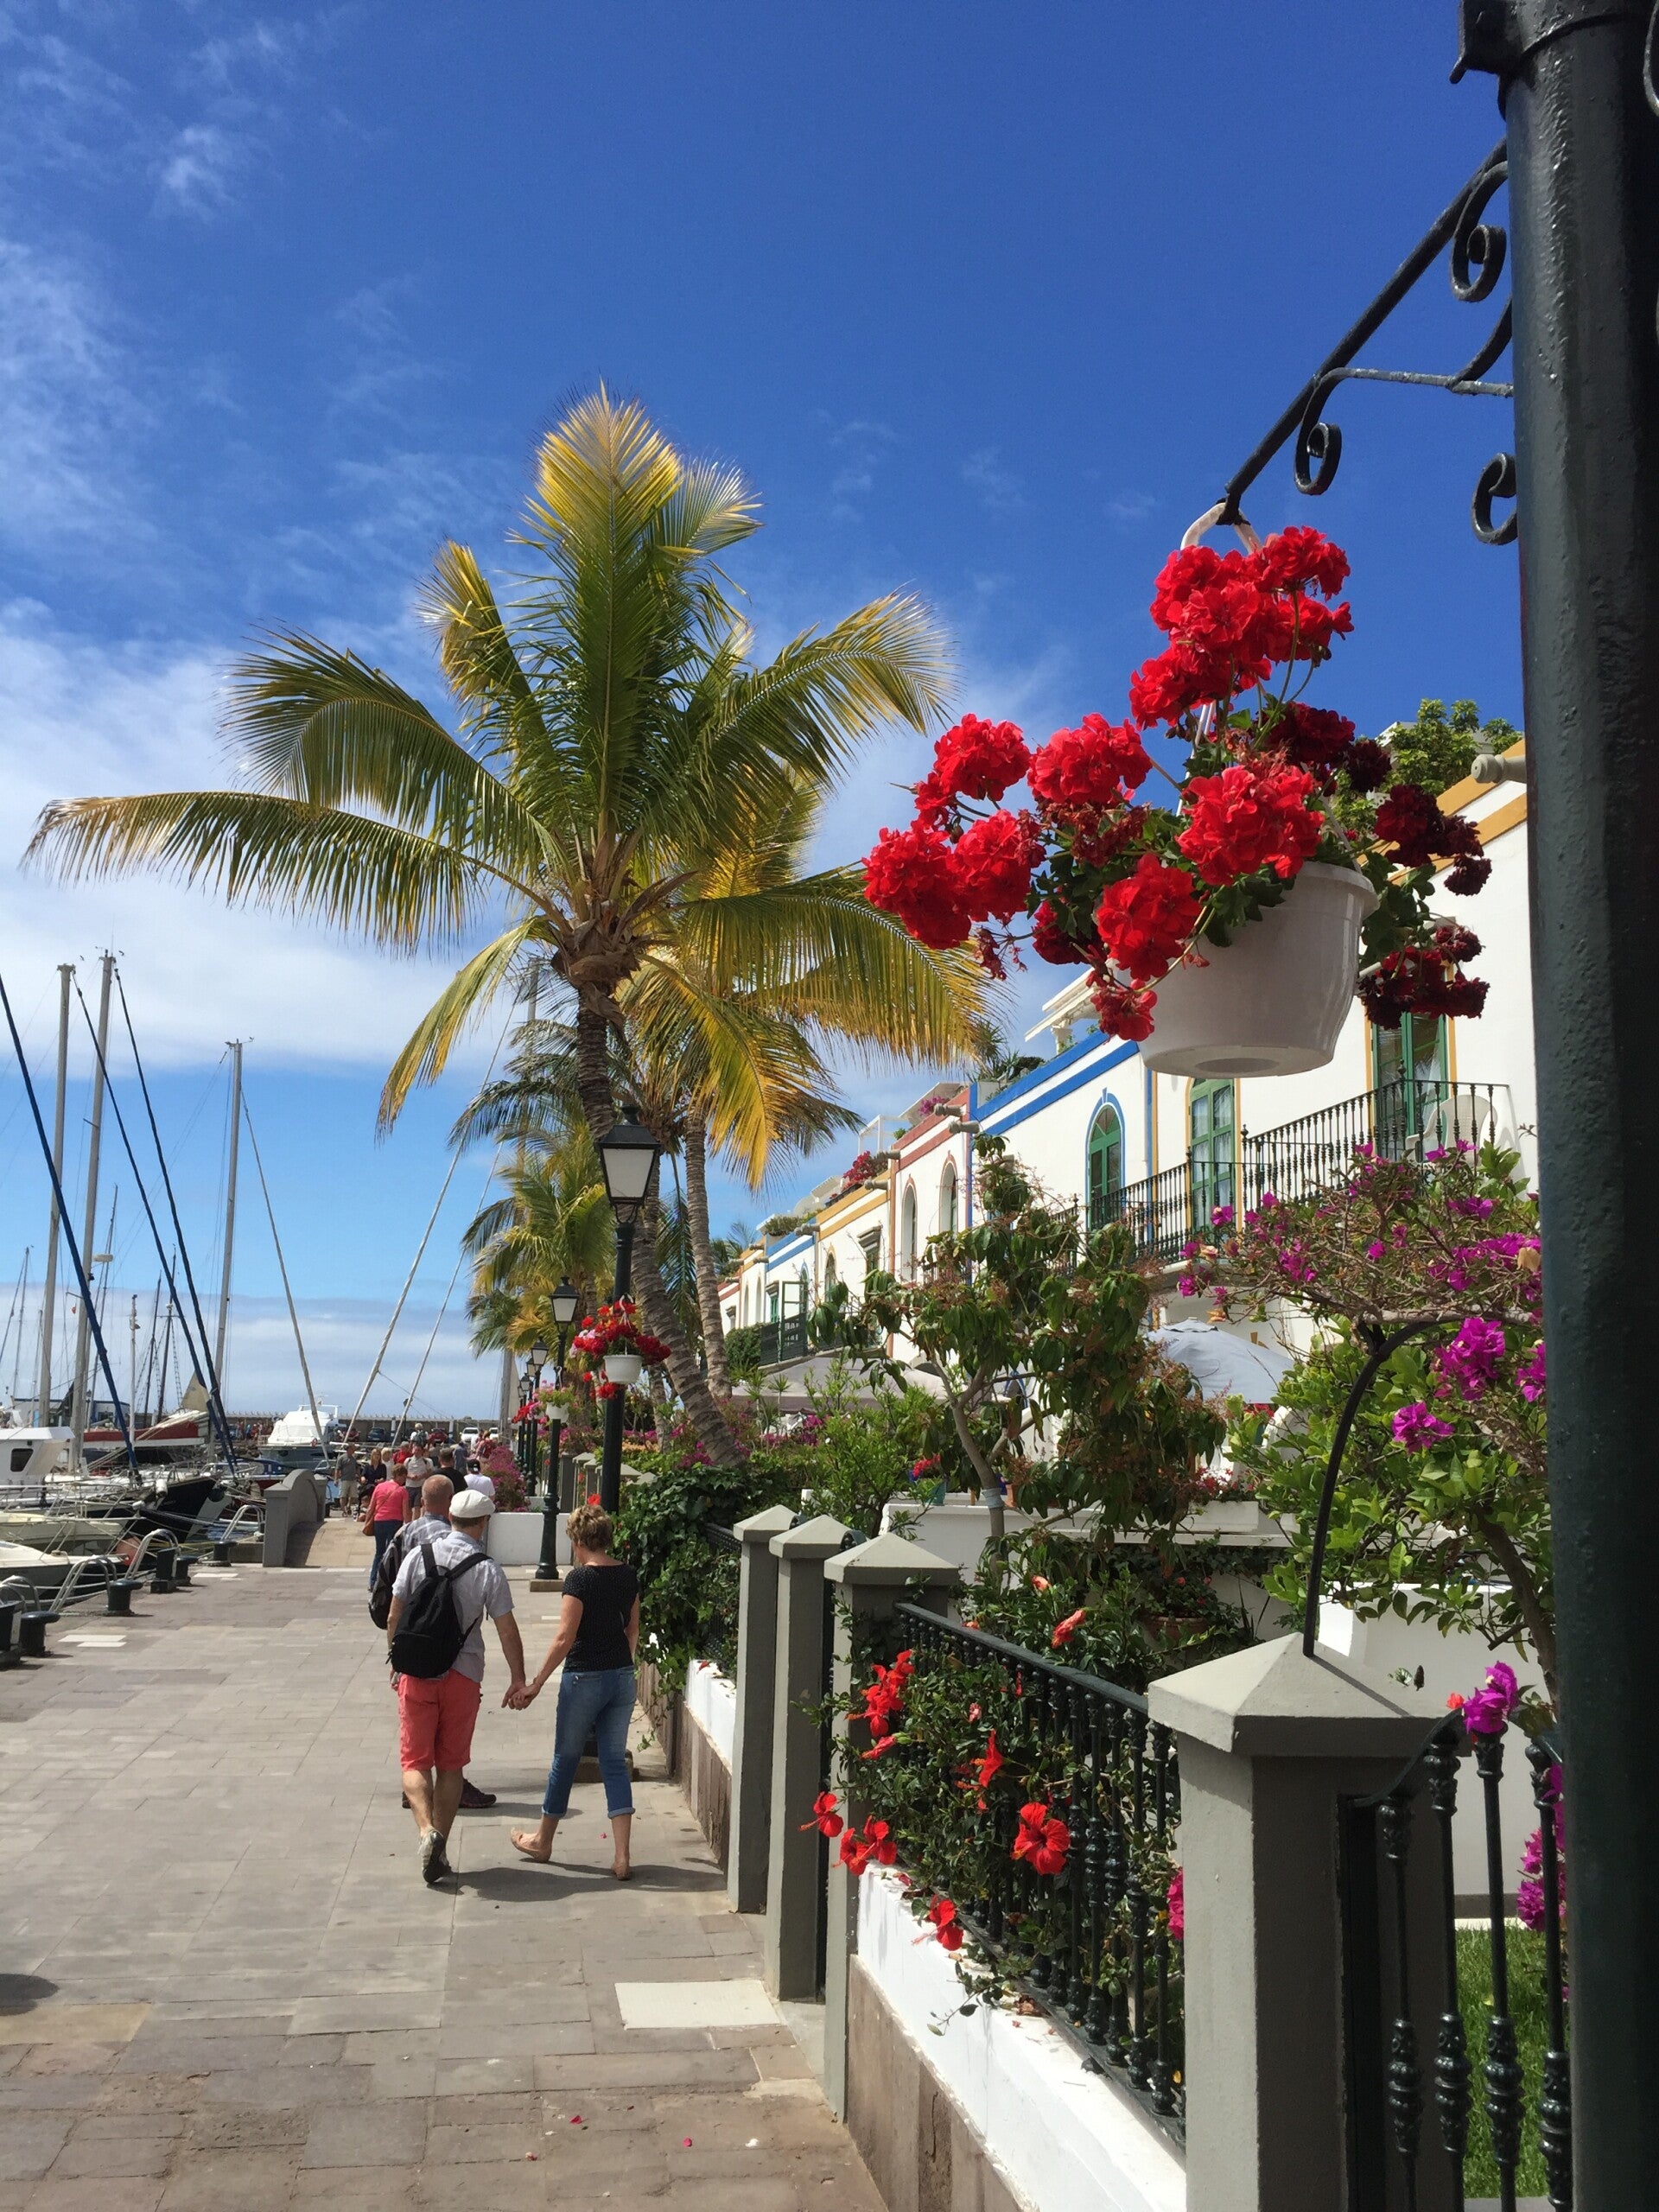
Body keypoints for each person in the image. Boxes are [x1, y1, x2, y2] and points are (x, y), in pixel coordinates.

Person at [386, 1490, 525, 1885]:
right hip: (463, 1676)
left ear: (449, 1516)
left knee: (414, 1763)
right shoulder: (487, 1569)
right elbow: (507, 1629)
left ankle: (425, 1831)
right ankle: (441, 1846)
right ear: (484, 1523)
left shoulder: (419, 1556)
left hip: (417, 1674)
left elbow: (394, 1613)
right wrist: (518, 1678)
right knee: (451, 1766)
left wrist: (397, 1662)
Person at [508, 1501, 639, 1880]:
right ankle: (622, 1857)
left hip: (584, 1677)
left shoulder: (579, 1580)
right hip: (621, 1676)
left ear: (578, 1540)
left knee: (565, 1759)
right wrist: (623, 1664)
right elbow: (632, 1629)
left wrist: (536, 1683)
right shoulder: (628, 1575)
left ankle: (542, 1841)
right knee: (613, 1762)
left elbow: (565, 1637)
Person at [372, 1473, 499, 1813]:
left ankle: (416, 1795)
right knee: (451, 1751)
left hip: (415, 1651)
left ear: (423, 1500)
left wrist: (396, 1656)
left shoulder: (406, 1535)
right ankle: (451, 1795)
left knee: (416, 1750)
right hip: (458, 1657)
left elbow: (387, 1591)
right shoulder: (458, 1541)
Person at [363, 1460, 409, 1584]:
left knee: (379, 1552)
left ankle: (373, 1581)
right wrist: (408, 1525)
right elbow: (405, 1512)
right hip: (395, 1522)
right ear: (399, 1475)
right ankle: (388, 1581)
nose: (404, 1480)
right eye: (404, 1477)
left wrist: (367, 1522)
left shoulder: (379, 1487)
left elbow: (371, 1507)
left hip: (379, 1521)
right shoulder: (402, 1491)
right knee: (392, 1552)